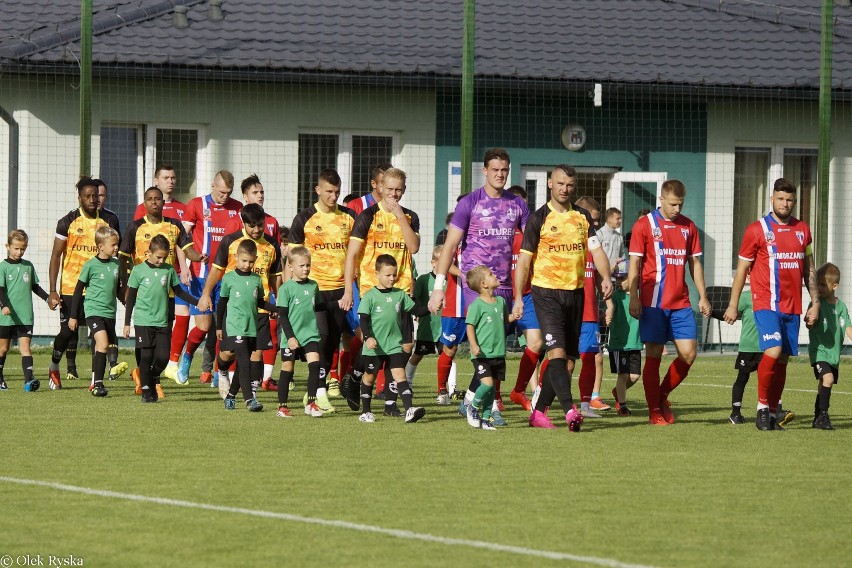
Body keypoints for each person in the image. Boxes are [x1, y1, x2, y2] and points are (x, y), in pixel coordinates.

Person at [429, 149, 529, 422]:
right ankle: (490, 405)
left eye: (504, 170)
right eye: (495, 169)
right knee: (485, 345)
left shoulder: (517, 205)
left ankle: (478, 401)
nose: (500, 174)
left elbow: (532, 243)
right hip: (476, 287)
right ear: (484, 171)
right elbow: (449, 246)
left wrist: (522, 292)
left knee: (496, 347)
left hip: (504, 286)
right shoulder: (470, 203)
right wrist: (439, 287)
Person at [513, 165, 612, 430]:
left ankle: (539, 412)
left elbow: (597, 250)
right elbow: (523, 262)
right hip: (546, 293)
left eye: (569, 185)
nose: (564, 189)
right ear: (549, 184)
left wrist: (606, 278)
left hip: (575, 294)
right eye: (559, 184)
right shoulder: (538, 218)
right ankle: (570, 411)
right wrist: (518, 298)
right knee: (555, 353)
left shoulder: (581, 217)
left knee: (567, 363)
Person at [723, 178, 818, 431]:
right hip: (765, 302)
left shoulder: (803, 230)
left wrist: (815, 302)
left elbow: (809, 270)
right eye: (780, 199)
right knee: (773, 351)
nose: (785, 204)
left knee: (783, 359)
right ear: (771, 199)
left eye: (789, 199)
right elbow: (742, 270)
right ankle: (762, 408)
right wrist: (733, 304)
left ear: (794, 201)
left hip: (792, 306)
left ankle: (774, 412)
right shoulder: (757, 229)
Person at [628, 180, 711, 426]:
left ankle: (662, 394)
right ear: (661, 200)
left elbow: (694, 264)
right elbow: (634, 264)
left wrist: (703, 295)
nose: (677, 209)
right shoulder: (645, 225)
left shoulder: (688, 227)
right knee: (653, 355)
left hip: (681, 303)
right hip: (653, 303)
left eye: (680, 204)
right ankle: (654, 410)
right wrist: (634, 295)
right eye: (673, 204)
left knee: (689, 354)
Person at [341, 167, 420, 417]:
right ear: (380, 188)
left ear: (403, 191)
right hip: (371, 290)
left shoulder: (409, 216)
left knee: (404, 346)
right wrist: (348, 290)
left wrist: (399, 216)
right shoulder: (367, 216)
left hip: (401, 291)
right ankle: (356, 379)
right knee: (375, 344)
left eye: (398, 190)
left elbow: (414, 247)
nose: (393, 194)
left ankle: (386, 400)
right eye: (390, 189)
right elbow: (352, 254)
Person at [120, 187, 205, 398]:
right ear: (145, 202)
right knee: (145, 346)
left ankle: (146, 376)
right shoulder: (135, 227)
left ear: (162, 202)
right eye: (150, 199)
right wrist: (124, 287)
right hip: (143, 295)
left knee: (161, 348)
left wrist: (198, 257)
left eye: (158, 199)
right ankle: (149, 383)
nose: (154, 202)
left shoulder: (174, 225)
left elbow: (188, 249)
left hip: (167, 295)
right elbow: (123, 257)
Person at [196, 204, 282, 400]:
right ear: (244, 223)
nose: (256, 229)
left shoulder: (271, 244)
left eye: (260, 225)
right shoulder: (230, 241)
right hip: (234, 308)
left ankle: (250, 391)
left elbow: (275, 276)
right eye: (252, 226)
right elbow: (217, 270)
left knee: (256, 350)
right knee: (229, 352)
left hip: (259, 306)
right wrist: (206, 294)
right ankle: (223, 370)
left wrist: (279, 300)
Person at [289, 168, 356, 406]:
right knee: (320, 340)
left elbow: (355, 255)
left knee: (331, 344)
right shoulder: (304, 219)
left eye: (337, 192)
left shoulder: (349, 217)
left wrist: (350, 289)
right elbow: (293, 258)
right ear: (318, 190)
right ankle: (318, 392)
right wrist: (292, 290)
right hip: (313, 290)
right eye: (329, 191)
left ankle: (316, 391)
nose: (333, 197)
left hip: (340, 291)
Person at [47, 177, 120, 390]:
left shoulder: (109, 220)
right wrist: (52, 290)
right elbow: (55, 256)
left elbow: (117, 255)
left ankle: (95, 381)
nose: (92, 200)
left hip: (99, 288)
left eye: (95, 196)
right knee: (68, 331)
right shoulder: (67, 221)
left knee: (102, 334)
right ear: (79, 198)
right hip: (71, 287)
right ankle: (54, 366)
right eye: (87, 196)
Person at [175, 170, 242, 384]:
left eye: (228, 193)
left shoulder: (237, 208)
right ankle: (187, 356)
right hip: (201, 275)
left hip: (226, 276)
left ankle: (217, 372)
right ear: (213, 185)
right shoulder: (196, 204)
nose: (225, 196)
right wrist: (184, 267)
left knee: (224, 327)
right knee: (204, 326)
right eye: (222, 192)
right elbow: (181, 239)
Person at [123, 235, 199, 402]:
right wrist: (127, 323)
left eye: (164, 257)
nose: (161, 260)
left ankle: (151, 378)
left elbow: (179, 292)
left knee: (163, 357)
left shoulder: (169, 270)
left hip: (162, 321)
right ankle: (146, 392)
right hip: (143, 321)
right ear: (148, 253)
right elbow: (131, 298)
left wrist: (197, 302)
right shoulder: (138, 270)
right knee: (146, 357)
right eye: (158, 257)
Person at [355, 254, 427, 424]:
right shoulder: (370, 296)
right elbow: (363, 320)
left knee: (399, 375)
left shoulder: (400, 294)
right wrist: (367, 337)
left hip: (394, 344)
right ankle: (366, 411)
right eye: (388, 275)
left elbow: (416, 310)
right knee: (370, 377)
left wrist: (430, 307)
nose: (392, 278)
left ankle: (410, 409)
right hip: (374, 346)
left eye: (394, 275)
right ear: (377, 274)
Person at [216, 239, 275, 412]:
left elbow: (260, 303)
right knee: (244, 361)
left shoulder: (257, 280)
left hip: (251, 327)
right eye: (243, 261)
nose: (247, 265)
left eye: (250, 261)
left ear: (255, 259)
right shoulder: (228, 279)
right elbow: (221, 304)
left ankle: (231, 397)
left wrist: (277, 309)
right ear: (236, 257)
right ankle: (250, 400)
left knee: (242, 364)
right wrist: (219, 326)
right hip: (235, 327)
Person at [68, 226, 122, 398]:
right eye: (113, 245)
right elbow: (78, 292)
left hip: (110, 312)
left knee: (101, 347)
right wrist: (73, 316)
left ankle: (94, 380)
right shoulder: (90, 265)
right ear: (100, 246)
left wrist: (130, 303)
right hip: (93, 311)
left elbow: (119, 290)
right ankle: (98, 384)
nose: (116, 248)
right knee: (103, 344)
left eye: (117, 244)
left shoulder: (116, 264)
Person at [464, 265, 516, 430]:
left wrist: (514, 316)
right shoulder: (477, 305)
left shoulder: (500, 301)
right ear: (483, 284)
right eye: (491, 274)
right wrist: (474, 345)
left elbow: (504, 319)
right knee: (486, 385)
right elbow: (470, 326)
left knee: (492, 389)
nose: (495, 275)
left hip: (498, 353)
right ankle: (472, 407)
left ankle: (486, 419)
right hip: (482, 355)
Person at [574, 196, 613, 418]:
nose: (596, 225)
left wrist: (608, 304)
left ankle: (587, 404)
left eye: (597, 221)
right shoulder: (566, 240)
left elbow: (600, 276)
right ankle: (543, 403)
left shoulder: (594, 244)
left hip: (588, 312)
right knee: (563, 361)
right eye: (594, 220)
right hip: (567, 310)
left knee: (591, 357)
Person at [0, 230, 52, 391]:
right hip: (7, 317)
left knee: (25, 348)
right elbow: (0, 290)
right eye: (16, 248)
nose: (19, 252)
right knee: (3, 348)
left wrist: (48, 298)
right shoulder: (3, 267)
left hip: (25, 316)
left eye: (22, 249)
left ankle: (29, 381)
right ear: (8, 246)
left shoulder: (28, 266)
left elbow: (35, 287)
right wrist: (4, 306)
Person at [275, 246, 324, 418]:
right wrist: (290, 337)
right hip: (291, 337)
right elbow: (282, 315)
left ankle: (311, 403)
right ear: (290, 267)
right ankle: (282, 407)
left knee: (315, 365)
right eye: (302, 266)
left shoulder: (313, 286)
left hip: (310, 334)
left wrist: (338, 304)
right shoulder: (286, 289)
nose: (305, 269)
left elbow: (319, 306)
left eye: (308, 265)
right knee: (288, 368)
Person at [506, 185, 541, 412]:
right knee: (495, 349)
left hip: (527, 295)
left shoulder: (532, 232)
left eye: (522, 203)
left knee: (536, 343)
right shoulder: (499, 231)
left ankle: (519, 391)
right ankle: (495, 397)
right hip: (501, 294)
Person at [806, 263, 851, 430]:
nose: (819, 287)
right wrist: (809, 321)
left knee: (823, 383)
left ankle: (817, 416)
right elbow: (809, 322)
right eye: (817, 283)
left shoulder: (841, 307)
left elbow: (848, 328)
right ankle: (824, 415)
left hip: (834, 354)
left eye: (823, 284)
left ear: (835, 286)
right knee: (828, 379)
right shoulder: (816, 304)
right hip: (819, 351)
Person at [605, 260, 641, 416]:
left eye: (622, 278)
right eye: (617, 278)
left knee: (635, 376)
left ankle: (618, 392)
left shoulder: (639, 296)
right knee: (623, 375)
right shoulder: (615, 297)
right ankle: (623, 405)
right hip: (619, 344)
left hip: (635, 343)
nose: (619, 282)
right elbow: (604, 291)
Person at [728, 275, 766, 425]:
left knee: (767, 379)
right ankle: (735, 413)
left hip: (766, 347)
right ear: (749, 277)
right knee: (742, 378)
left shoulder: (769, 297)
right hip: (748, 347)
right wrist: (711, 312)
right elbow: (729, 314)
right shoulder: (744, 297)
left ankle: (766, 411)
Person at [405, 245, 444, 387]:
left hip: (445, 326)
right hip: (427, 327)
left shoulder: (450, 281)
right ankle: (406, 383)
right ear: (433, 263)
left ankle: (448, 389)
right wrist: (419, 312)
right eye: (441, 261)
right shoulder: (423, 279)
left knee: (448, 355)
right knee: (417, 355)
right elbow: (414, 301)